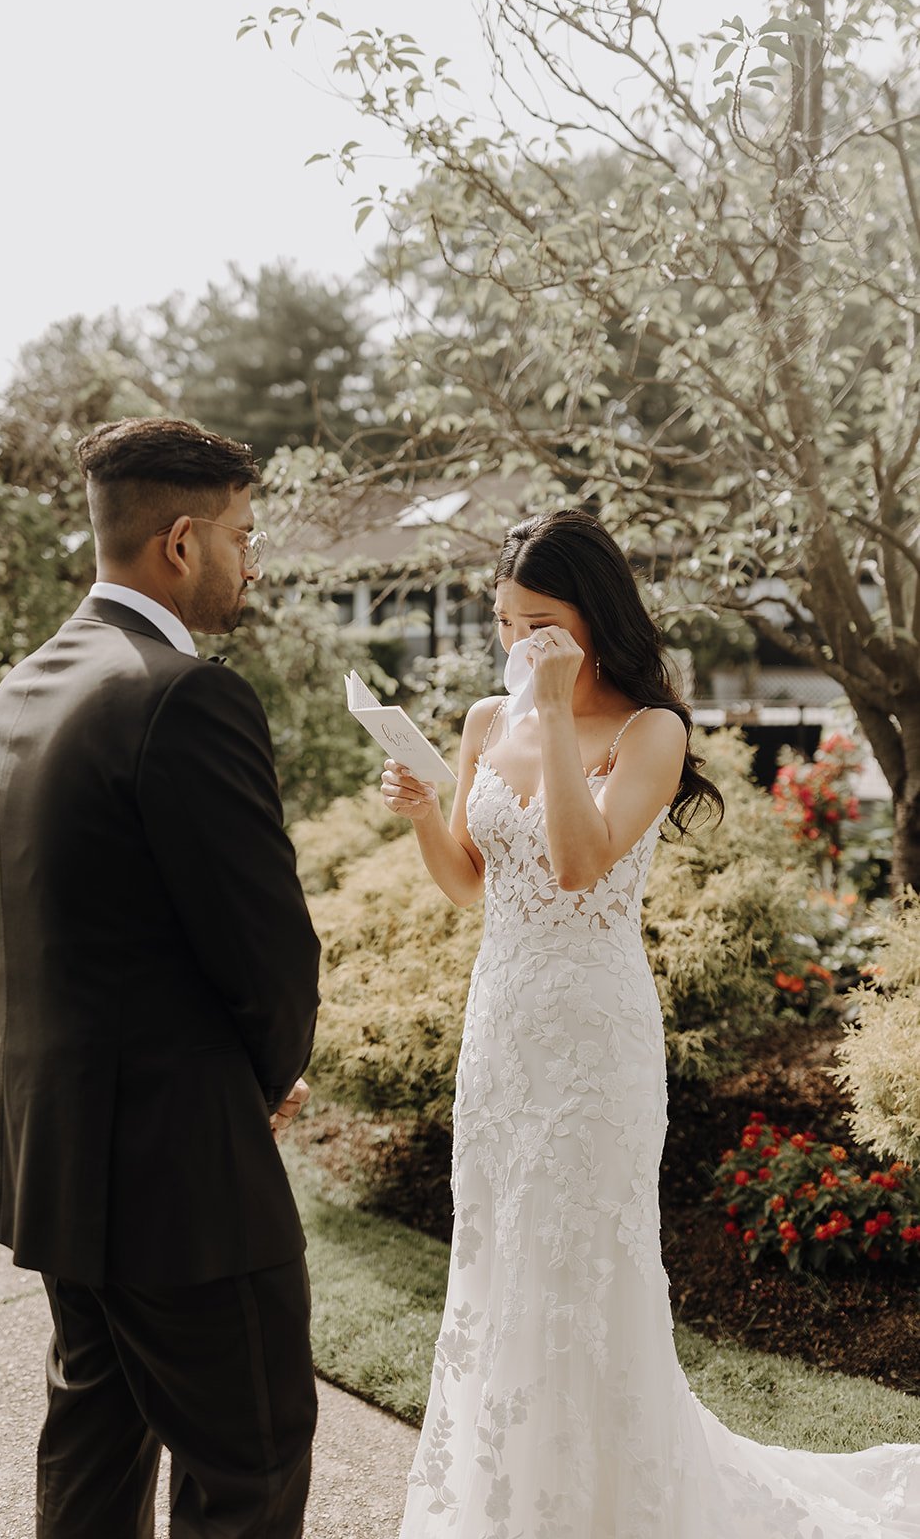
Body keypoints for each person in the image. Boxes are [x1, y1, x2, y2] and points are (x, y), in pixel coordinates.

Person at [381, 509, 920, 1538]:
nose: (516, 646)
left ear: (593, 619)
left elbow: (579, 864)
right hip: (500, 1029)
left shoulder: (649, 732)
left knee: (580, 1266)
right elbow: (465, 885)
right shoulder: (483, 723)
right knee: (498, 1255)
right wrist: (419, 808)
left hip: (594, 1038)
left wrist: (547, 709)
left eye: (538, 624)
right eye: (503, 622)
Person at [0, 417, 321, 1539]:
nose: (249, 557)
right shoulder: (185, 694)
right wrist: (265, 1078)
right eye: (240, 532)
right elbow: (268, 955)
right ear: (181, 542)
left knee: (95, 1435)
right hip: (178, 1176)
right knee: (249, 1461)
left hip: (57, 1162)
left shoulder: (23, 686)